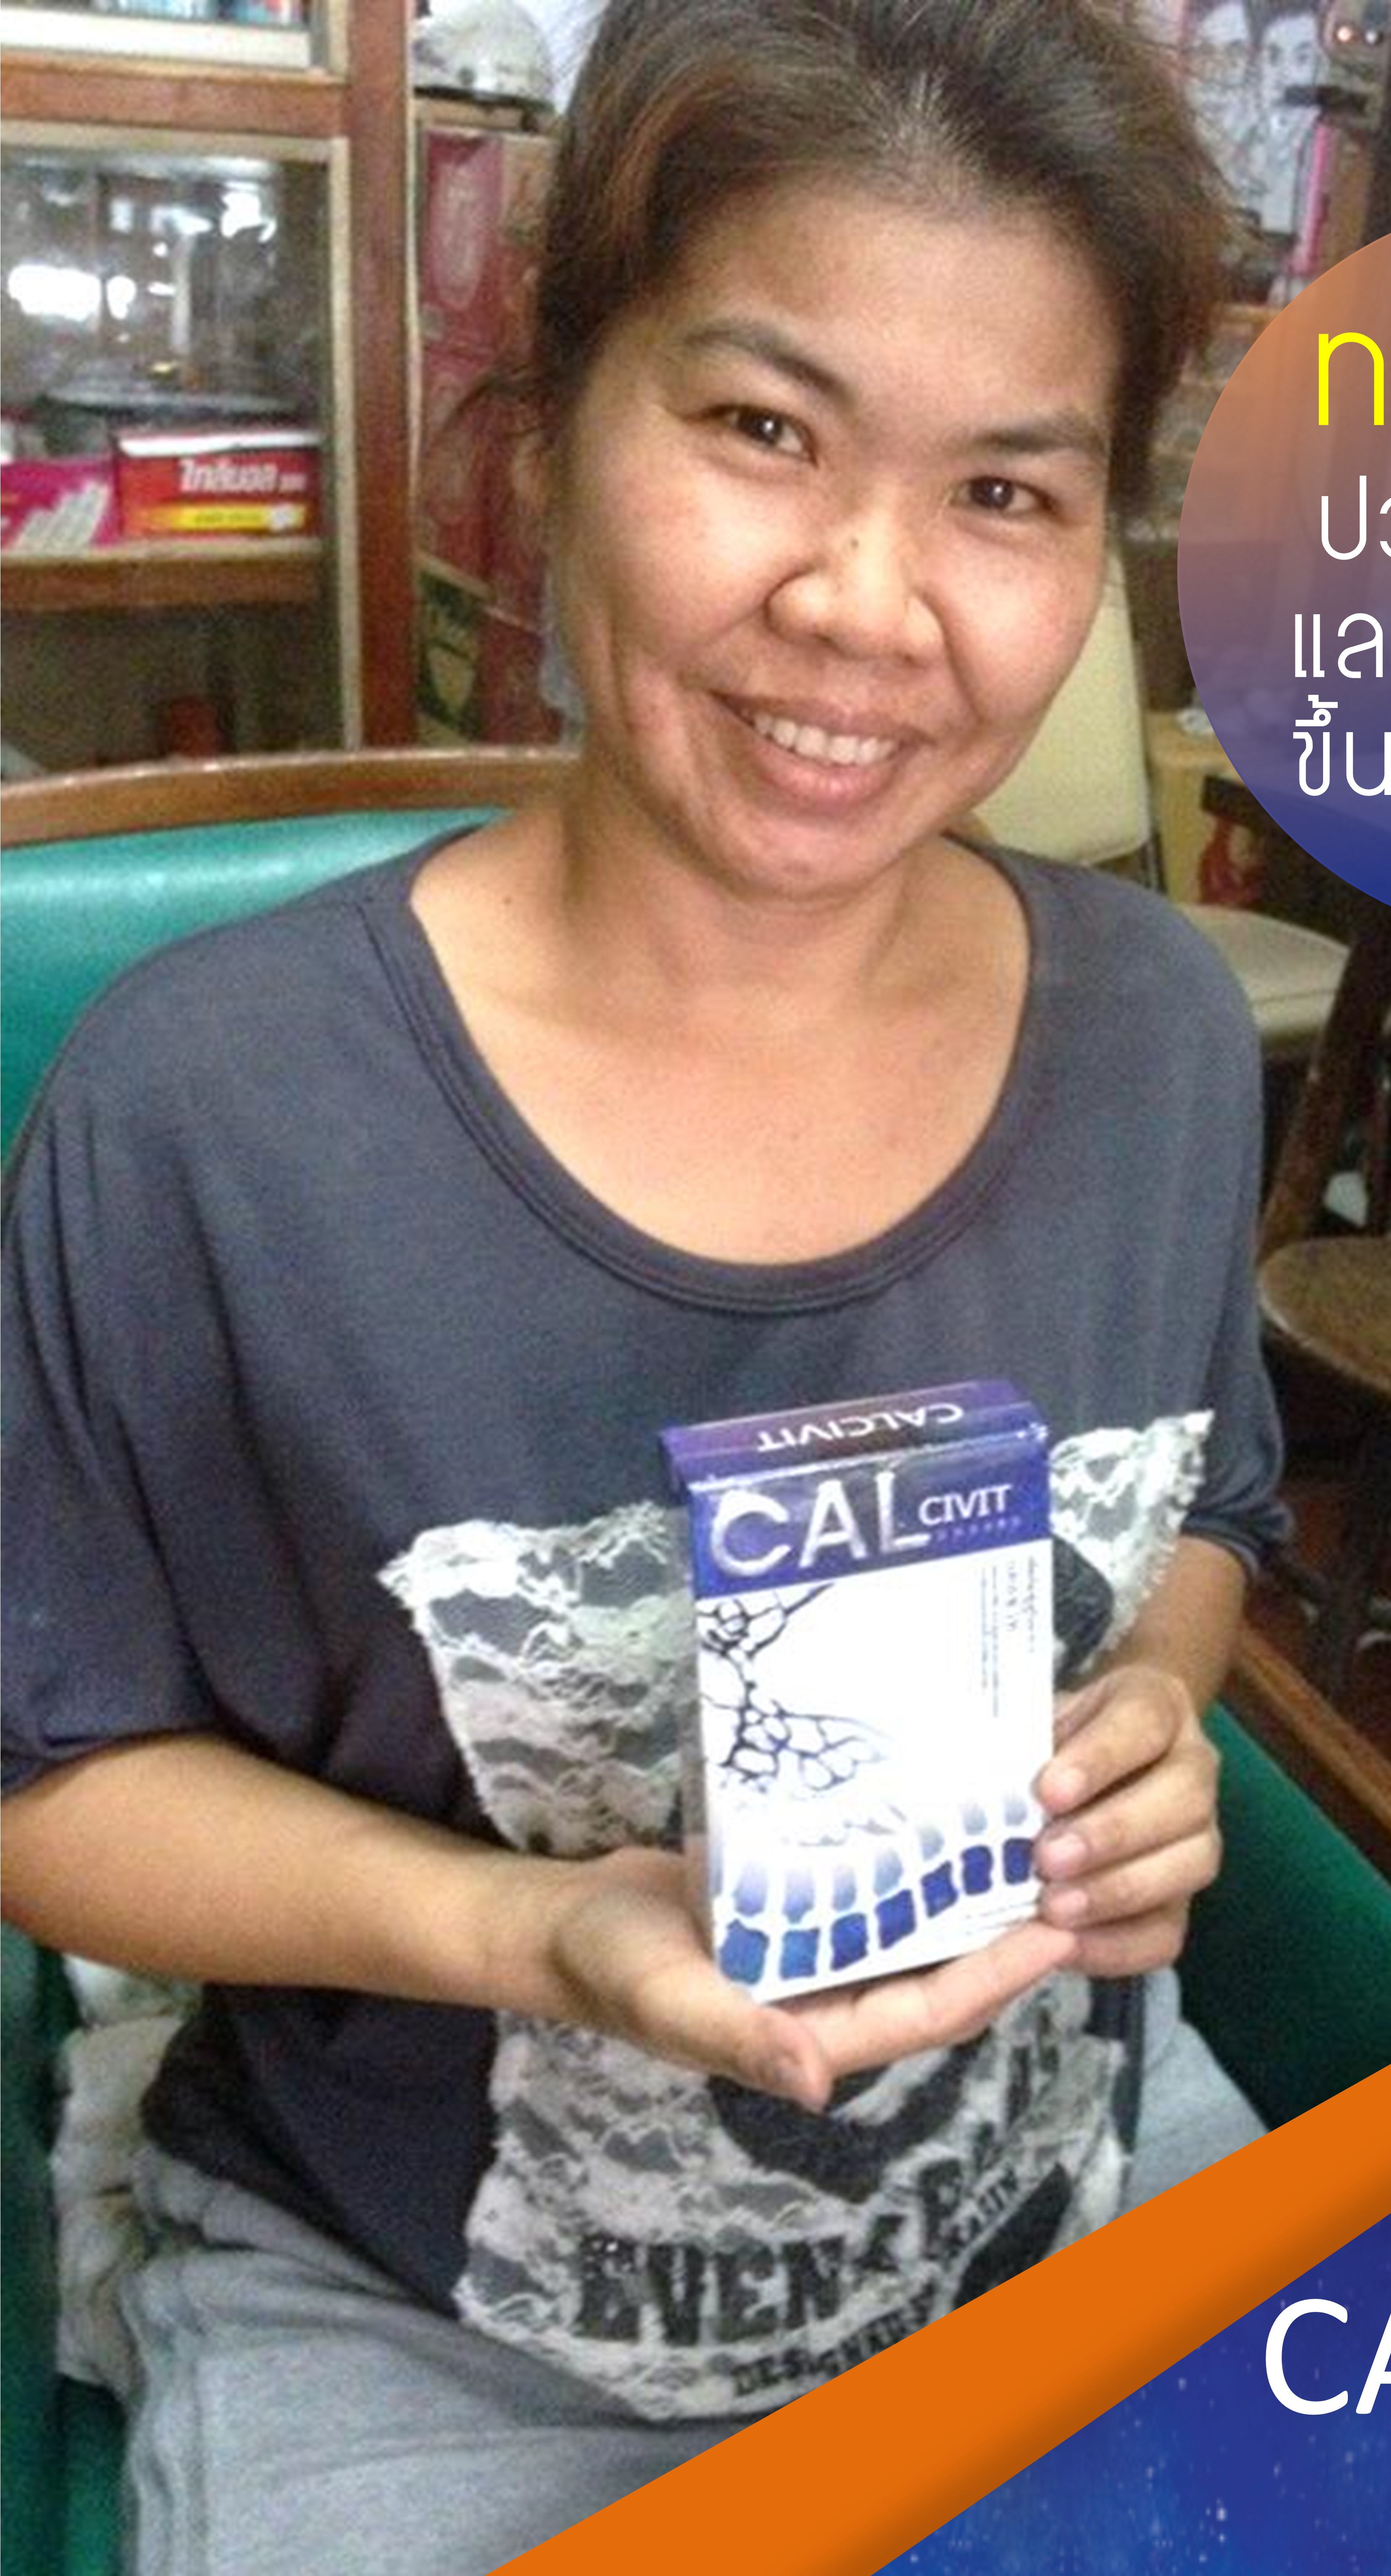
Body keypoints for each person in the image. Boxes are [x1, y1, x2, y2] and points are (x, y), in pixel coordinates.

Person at [1, 4, 1284, 2568]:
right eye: (766, 428)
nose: (865, 604)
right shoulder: (202, 1118)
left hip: (1062, 2178)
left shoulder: (1160, 1032)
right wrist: (545, 1934)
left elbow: (1205, 1516)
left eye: (1004, 488)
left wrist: (1151, 1707)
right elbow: (50, 1786)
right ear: (550, 427)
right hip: (429, 2310)